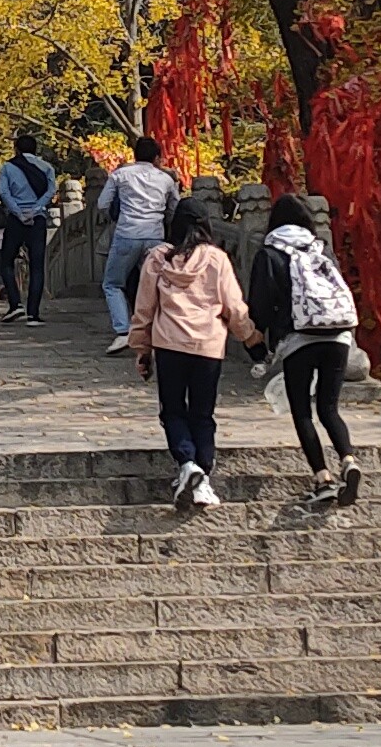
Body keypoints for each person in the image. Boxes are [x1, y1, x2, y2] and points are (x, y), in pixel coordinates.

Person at [130, 195, 258, 512]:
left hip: (169, 345)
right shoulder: (216, 259)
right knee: (202, 414)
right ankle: (203, 475)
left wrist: (141, 349)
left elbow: (144, 310)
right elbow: (235, 308)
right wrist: (250, 338)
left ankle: (187, 464)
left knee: (173, 411)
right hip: (208, 346)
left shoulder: (157, 259)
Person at [244, 196, 362, 504]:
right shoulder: (319, 248)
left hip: (300, 339)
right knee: (329, 408)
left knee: (303, 412)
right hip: (338, 336)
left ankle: (323, 477)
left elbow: (261, 302)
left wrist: (257, 340)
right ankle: (348, 460)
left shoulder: (270, 253)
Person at [94, 136, 182, 353]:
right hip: (155, 236)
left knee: (113, 284)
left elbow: (102, 204)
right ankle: (163, 330)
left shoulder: (120, 175)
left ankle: (124, 332)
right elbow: (176, 207)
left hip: (127, 233)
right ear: (156, 157)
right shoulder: (166, 179)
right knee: (158, 285)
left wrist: (116, 217)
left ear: (135, 155)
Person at [0, 130, 59, 324]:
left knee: (6, 261)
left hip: (15, 219)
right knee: (37, 266)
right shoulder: (46, 167)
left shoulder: (8, 167)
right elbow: (51, 191)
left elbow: (4, 193)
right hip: (37, 219)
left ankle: (15, 304)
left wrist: (19, 213)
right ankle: (33, 314)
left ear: (17, 149)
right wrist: (36, 208)